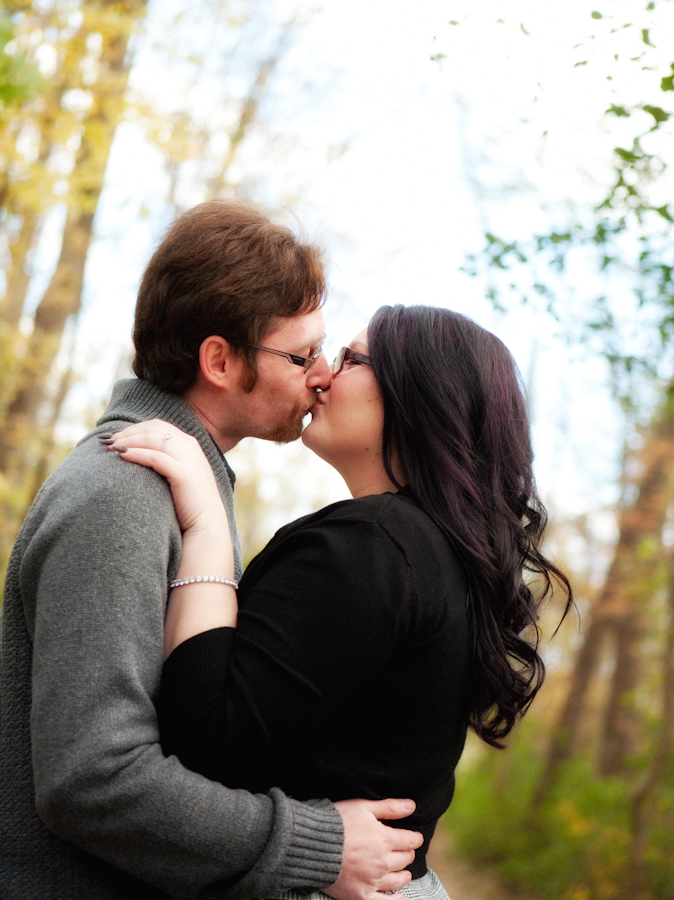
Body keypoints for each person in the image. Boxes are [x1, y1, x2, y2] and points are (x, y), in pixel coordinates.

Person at [0, 201, 422, 900]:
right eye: (301, 354)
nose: (322, 375)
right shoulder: (123, 493)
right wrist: (319, 846)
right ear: (219, 360)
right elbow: (92, 780)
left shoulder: (176, 485)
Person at [104, 304, 573, 900]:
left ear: (417, 396)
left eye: (351, 359)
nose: (321, 375)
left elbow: (202, 744)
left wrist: (205, 526)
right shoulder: (436, 552)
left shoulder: (371, 546)